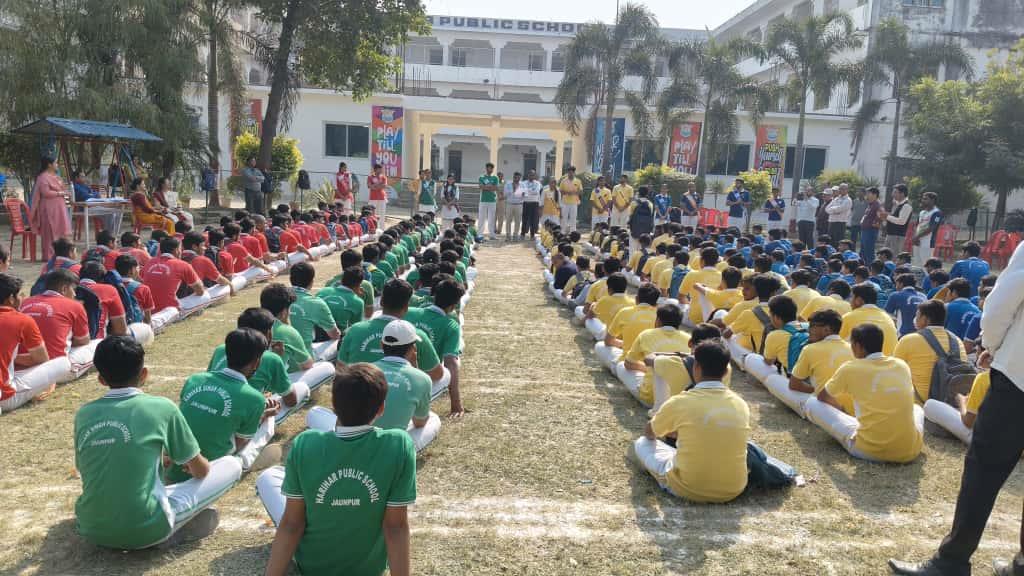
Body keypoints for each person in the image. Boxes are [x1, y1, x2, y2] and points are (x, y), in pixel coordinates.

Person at [889, 240, 1024, 576]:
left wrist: (993, 345)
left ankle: (952, 560)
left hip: (1019, 376)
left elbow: (1001, 304)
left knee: (984, 471)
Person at [74, 336, 237, 549]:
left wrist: (156, 460)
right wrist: (189, 463)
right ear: (144, 374)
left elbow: (89, 466)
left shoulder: (84, 414)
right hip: (147, 526)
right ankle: (171, 532)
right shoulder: (162, 407)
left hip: (91, 528)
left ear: (101, 379)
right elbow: (201, 471)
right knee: (232, 465)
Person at [257, 364, 416, 576]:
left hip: (312, 566)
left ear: (333, 406)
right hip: (370, 568)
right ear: (381, 408)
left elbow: (292, 524)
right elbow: (395, 527)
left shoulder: (305, 443)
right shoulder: (398, 444)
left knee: (269, 477)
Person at [634, 339, 751, 503]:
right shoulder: (741, 404)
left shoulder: (680, 401)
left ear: (696, 367)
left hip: (688, 488)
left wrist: (675, 431)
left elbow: (650, 432)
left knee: (642, 443)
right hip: (734, 489)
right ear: (726, 372)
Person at [170, 328, 278, 488]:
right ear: (256, 362)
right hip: (210, 469)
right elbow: (240, 443)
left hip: (174, 464)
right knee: (268, 422)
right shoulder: (255, 398)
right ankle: (245, 461)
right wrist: (262, 416)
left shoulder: (195, 379)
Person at [805, 324, 923, 463]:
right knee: (917, 408)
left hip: (869, 450)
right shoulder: (902, 365)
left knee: (812, 403)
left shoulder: (850, 368)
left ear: (857, 346)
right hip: (910, 451)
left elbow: (822, 396)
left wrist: (841, 409)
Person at [337, 279, 455, 412]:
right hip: (399, 398)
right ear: (407, 307)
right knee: (446, 374)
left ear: (381, 301)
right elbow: (437, 374)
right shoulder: (416, 335)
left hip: (358, 398)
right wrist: (413, 370)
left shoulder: (354, 329)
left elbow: (341, 368)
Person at [0, 274, 70, 412]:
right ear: (11, 298)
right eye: (20, 295)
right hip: (5, 397)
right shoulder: (21, 320)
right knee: (64, 362)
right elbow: (41, 359)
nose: (22, 298)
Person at [20, 269, 95, 377]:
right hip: (53, 369)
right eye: (74, 289)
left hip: (21, 365)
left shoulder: (25, 302)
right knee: (98, 344)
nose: (74, 294)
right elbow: (83, 341)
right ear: (64, 289)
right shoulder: (75, 305)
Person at [893, 299, 968, 403]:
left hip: (919, 405)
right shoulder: (957, 341)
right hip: (953, 404)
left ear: (924, 319)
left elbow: (894, 372)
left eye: (917, 316)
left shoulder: (909, 340)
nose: (915, 319)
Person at [617, 303, 691, 407]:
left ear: (658, 320)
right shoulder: (688, 338)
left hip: (651, 398)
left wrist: (647, 369)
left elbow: (628, 364)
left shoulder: (646, 334)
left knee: (620, 365)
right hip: (677, 400)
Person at [142, 236, 209, 326]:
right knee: (206, 296)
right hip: (171, 310)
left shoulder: (149, 262)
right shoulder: (183, 264)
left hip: (147, 311)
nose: (181, 251)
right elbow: (200, 291)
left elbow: (141, 281)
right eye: (180, 249)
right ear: (176, 250)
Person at [596, 282, 660, 372]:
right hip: (653, 363)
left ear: (636, 299)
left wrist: (625, 344)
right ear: (656, 304)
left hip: (628, 363)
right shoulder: (661, 317)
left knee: (599, 346)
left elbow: (608, 341)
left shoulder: (625, 312)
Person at [288, 262, 341, 361]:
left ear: (290, 279)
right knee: (340, 342)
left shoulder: (276, 296)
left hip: (278, 356)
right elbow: (334, 334)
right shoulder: (316, 303)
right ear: (312, 281)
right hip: (304, 359)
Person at [30, 157, 72, 260]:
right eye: (56, 163)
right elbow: (46, 193)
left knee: (60, 231)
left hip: (59, 208)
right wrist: (60, 193)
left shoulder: (56, 177)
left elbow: (63, 188)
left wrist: (66, 191)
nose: (57, 165)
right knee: (49, 233)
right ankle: (49, 256)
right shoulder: (42, 177)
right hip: (48, 209)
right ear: (49, 165)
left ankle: (61, 254)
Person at [913, 191, 943, 266]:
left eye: (925, 199)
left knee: (926, 265)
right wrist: (915, 237)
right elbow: (917, 226)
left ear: (932, 200)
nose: (922, 200)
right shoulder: (922, 212)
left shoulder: (937, 213)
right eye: (923, 198)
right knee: (916, 265)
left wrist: (917, 237)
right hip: (917, 241)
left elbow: (931, 228)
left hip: (927, 243)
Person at [885, 184, 913, 253]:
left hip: (897, 237)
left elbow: (901, 221)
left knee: (894, 256)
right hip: (890, 235)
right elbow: (893, 218)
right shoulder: (897, 205)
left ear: (902, 194)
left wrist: (887, 216)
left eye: (895, 192)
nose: (892, 194)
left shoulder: (906, 206)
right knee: (886, 256)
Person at [859, 186, 882, 263]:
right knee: (863, 252)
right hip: (865, 230)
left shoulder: (877, 205)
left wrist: (874, 224)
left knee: (868, 252)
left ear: (874, 195)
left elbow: (879, 219)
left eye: (868, 193)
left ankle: (870, 268)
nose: (866, 195)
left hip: (870, 231)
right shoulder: (870, 204)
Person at [518, 170, 542, 239]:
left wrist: (526, 191)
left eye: (533, 175)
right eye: (530, 174)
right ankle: (522, 234)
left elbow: (536, 192)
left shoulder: (537, 183)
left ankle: (532, 235)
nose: (531, 176)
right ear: (528, 175)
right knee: (524, 219)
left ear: (534, 176)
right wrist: (530, 191)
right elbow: (520, 192)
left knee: (533, 220)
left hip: (534, 203)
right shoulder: (523, 183)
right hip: (525, 203)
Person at [477, 163, 499, 239]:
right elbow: (481, 187)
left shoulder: (495, 178)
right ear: (486, 168)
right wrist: (490, 187)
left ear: (493, 169)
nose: (490, 169)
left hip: (492, 200)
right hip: (483, 200)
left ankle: (492, 234)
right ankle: (480, 234)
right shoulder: (482, 177)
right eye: (488, 168)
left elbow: (496, 188)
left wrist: (486, 187)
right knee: (481, 218)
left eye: (491, 168)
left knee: (491, 218)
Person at [503, 172, 524, 241]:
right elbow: (505, 194)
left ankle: (515, 235)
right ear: (513, 177)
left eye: (518, 177)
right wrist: (513, 190)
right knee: (508, 220)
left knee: (518, 221)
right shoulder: (508, 184)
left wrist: (519, 193)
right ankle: (508, 235)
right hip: (509, 204)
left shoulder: (522, 185)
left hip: (519, 204)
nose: (517, 179)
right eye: (515, 177)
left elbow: (525, 194)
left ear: (520, 178)